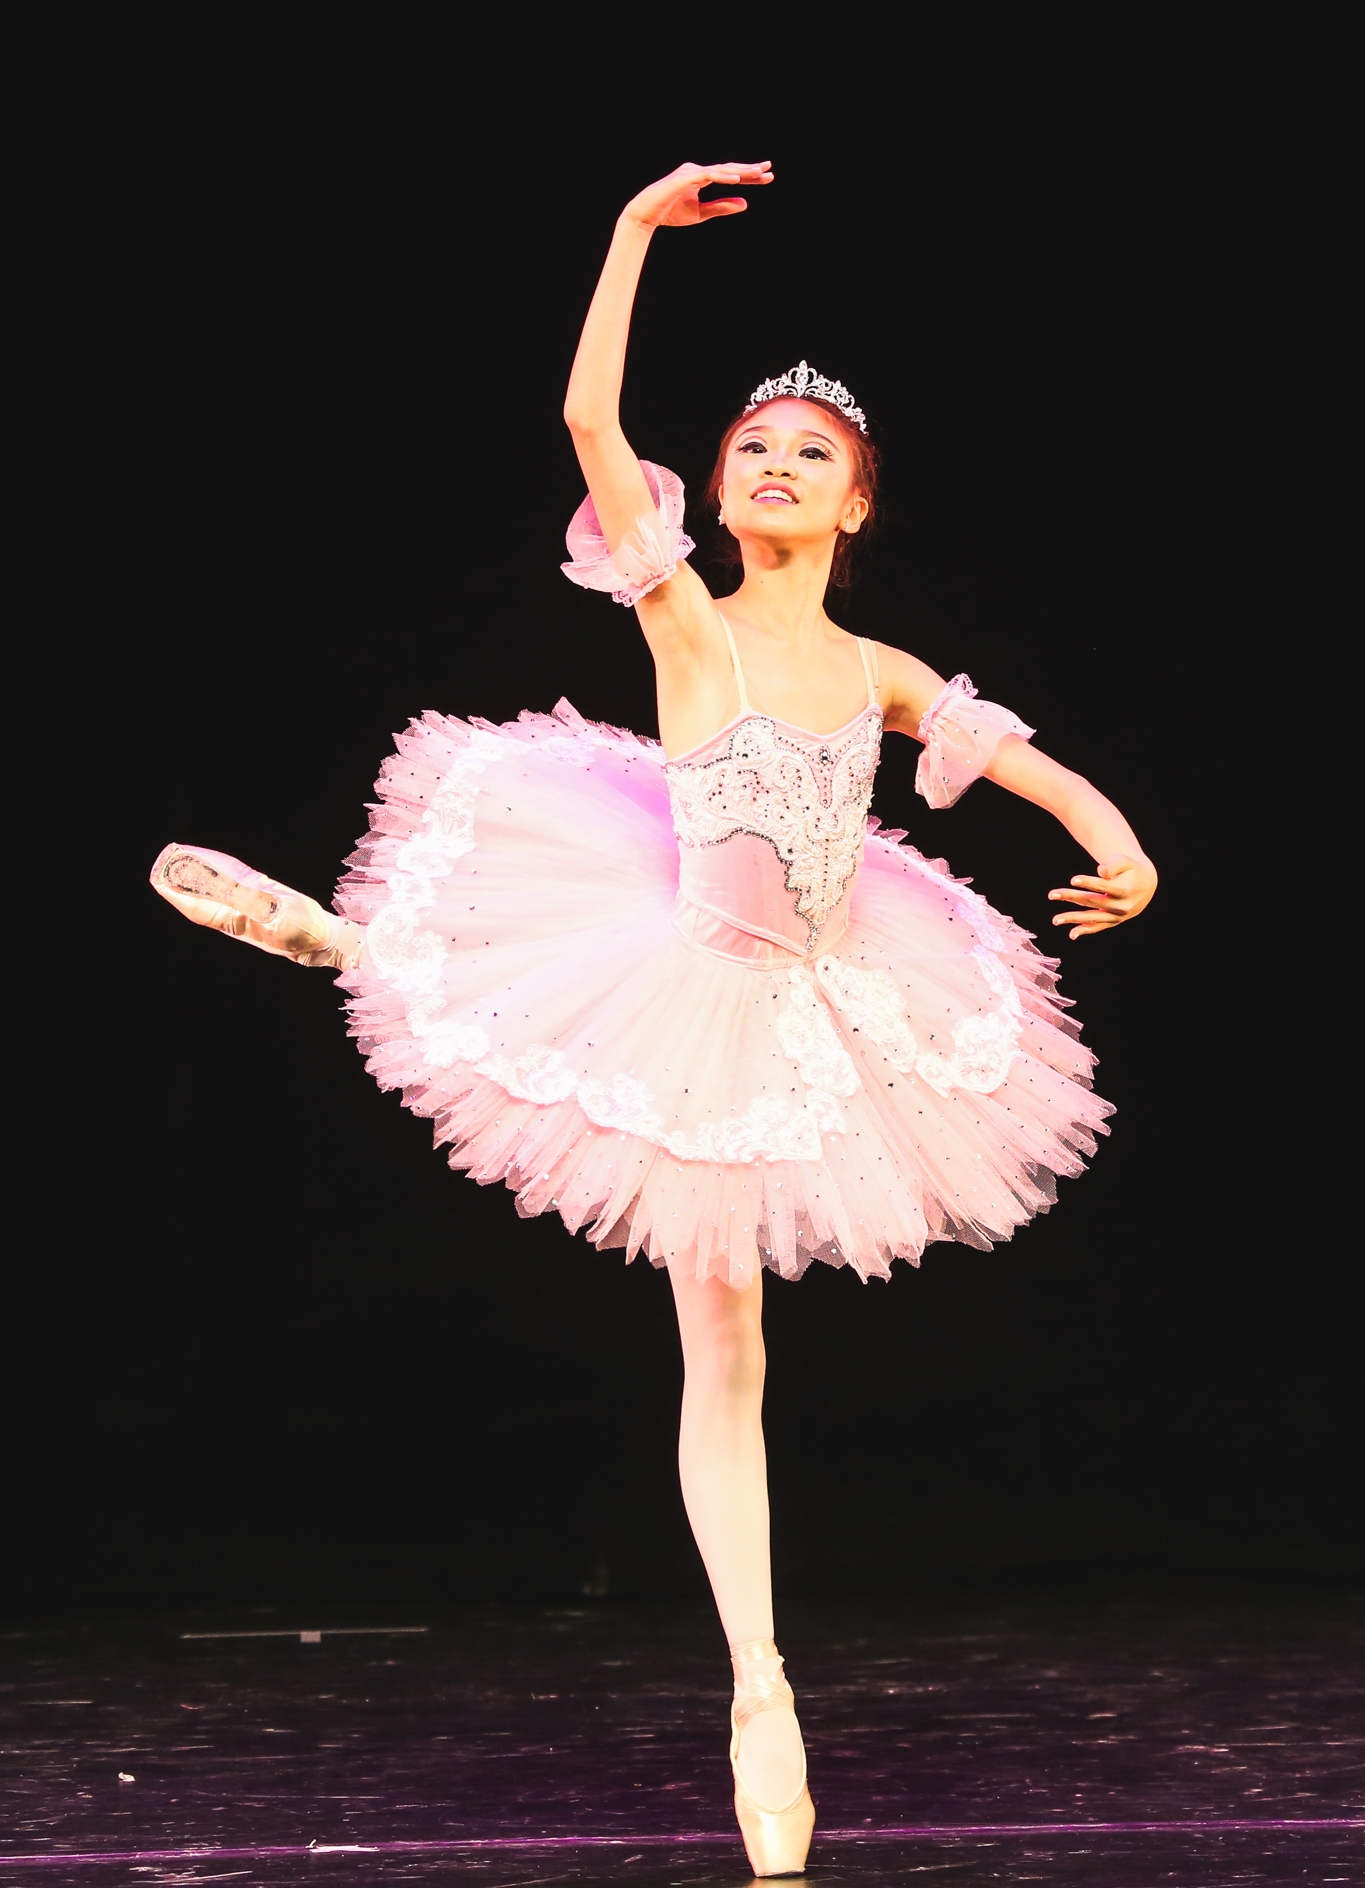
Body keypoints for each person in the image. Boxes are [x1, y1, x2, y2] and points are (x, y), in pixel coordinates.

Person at [151, 160, 1156, 1878]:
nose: (773, 465)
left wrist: (1120, 845)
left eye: (809, 454)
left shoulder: (883, 673)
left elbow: (1036, 769)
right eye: (751, 446)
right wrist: (628, 236)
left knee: (740, 1356)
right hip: (683, 978)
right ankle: (760, 1685)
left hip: (828, 987)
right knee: (718, 1340)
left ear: (852, 506)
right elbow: (587, 420)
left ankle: (762, 1681)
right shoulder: (685, 617)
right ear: (723, 489)